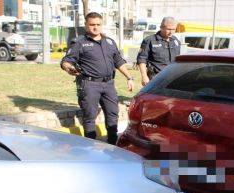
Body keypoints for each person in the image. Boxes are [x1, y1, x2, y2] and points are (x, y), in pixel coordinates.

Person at [61, 12, 134, 145]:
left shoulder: (109, 42)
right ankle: (90, 146)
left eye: (98, 24)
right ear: (86, 25)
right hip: (89, 85)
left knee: (113, 114)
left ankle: (113, 144)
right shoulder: (79, 43)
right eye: (92, 24)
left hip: (109, 84)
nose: (95, 27)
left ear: (102, 25)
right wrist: (68, 67)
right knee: (90, 117)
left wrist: (129, 77)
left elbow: (119, 61)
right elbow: (67, 60)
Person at [136, 17, 181, 86]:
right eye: (168, 29)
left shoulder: (175, 41)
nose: (171, 32)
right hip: (155, 78)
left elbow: (178, 60)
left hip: (172, 77)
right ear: (161, 27)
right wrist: (144, 76)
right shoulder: (150, 40)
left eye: (173, 29)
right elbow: (141, 59)